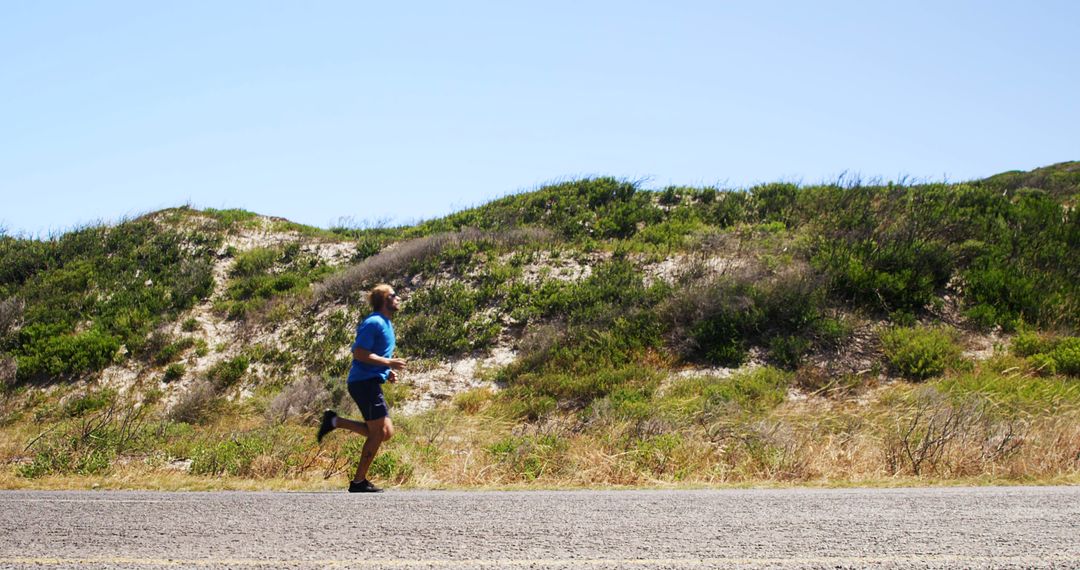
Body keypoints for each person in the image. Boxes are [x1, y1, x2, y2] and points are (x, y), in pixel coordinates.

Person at [316, 284, 407, 493]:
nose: (398, 298)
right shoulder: (374, 322)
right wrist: (388, 363)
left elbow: (371, 355)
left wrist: (386, 372)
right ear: (384, 300)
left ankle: (334, 421)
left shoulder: (386, 323)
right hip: (363, 383)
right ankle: (358, 482)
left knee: (386, 432)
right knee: (378, 433)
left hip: (369, 381)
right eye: (394, 295)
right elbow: (359, 353)